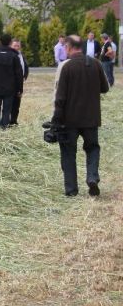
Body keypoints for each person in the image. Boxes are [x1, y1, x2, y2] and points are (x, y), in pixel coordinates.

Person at [52, 35, 109, 197]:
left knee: (68, 153)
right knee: (92, 148)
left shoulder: (67, 67)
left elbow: (60, 97)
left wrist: (56, 120)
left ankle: (71, 190)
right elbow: (104, 88)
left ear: (69, 47)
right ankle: (92, 177)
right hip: (91, 118)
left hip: (69, 120)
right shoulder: (96, 64)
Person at [0, 33, 23, 129]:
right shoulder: (14, 56)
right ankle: (4, 129)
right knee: (7, 111)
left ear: (0, 42)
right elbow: (19, 74)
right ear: (10, 42)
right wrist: (20, 89)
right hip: (10, 89)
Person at [9, 38, 29, 125]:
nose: (16, 47)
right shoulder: (9, 55)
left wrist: (25, 76)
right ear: (11, 46)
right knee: (10, 103)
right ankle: (7, 121)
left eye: (18, 45)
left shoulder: (21, 55)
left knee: (17, 104)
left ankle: (14, 121)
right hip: (11, 83)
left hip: (19, 83)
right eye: (15, 45)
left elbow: (25, 66)